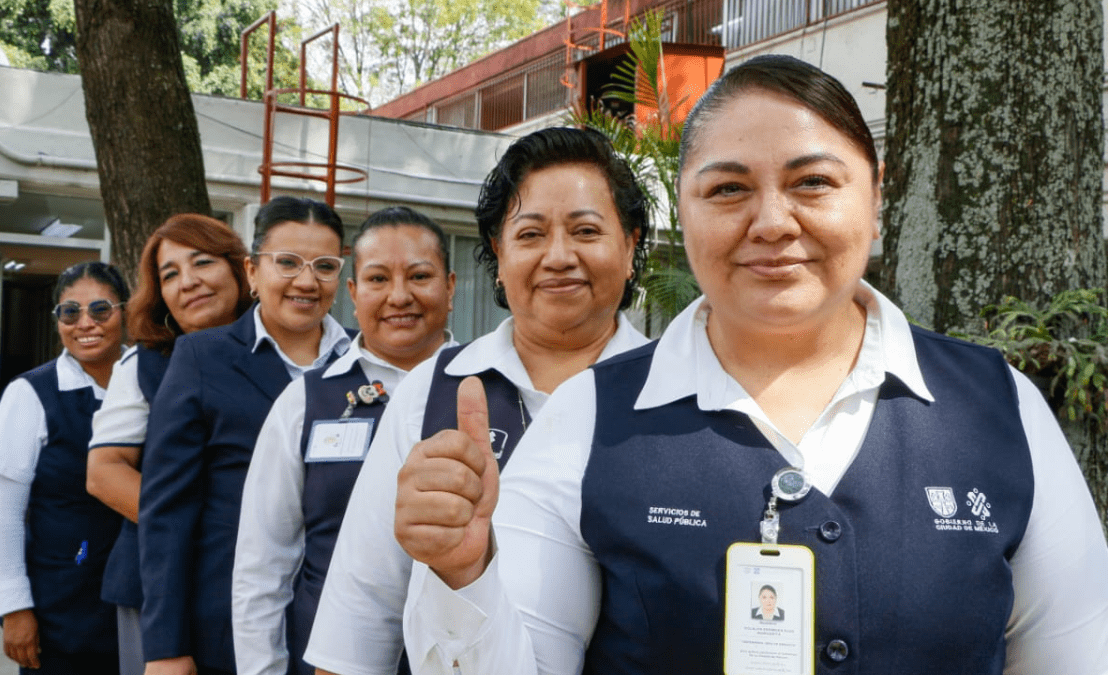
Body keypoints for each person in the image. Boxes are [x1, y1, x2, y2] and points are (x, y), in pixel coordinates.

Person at [394, 54, 1108, 675]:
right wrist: (464, 576)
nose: (771, 221)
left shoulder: (997, 407)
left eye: (813, 182)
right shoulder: (589, 419)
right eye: (729, 189)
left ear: (877, 195)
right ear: (685, 208)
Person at [305, 126, 653, 675]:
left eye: (586, 230)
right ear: (497, 250)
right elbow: (359, 613)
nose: (559, 257)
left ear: (631, 245)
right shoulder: (431, 390)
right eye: (531, 234)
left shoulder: (674, 400)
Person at [232, 207, 459, 675]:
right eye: (377, 279)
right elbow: (263, 567)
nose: (400, 296)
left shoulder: (489, 392)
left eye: (419, 275)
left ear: (450, 288)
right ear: (353, 294)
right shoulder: (306, 402)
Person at [139, 197, 353, 675]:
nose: (306, 281)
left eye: (324, 266)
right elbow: (166, 513)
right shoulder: (200, 358)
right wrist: (166, 648)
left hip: (344, 624)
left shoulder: (364, 362)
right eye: (288, 263)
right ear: (253, 271)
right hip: (229, 622)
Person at [87, 214, 252, 675]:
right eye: (170, 275)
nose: (189, 282)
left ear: (241, 269)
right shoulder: (143, 364)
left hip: (257, 582)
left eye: (202, 262)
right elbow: (104, 474)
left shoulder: (277, 357)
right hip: (157, 588)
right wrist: (202, 531)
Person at [0, 261, 130, 674]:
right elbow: (3, 514)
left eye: (101, 309)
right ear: (57, 320)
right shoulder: (31, 394)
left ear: (125, 312)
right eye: (70, 312)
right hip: (62, 603)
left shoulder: (151, 381)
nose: (86, 324)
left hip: (141, 598)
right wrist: (14, 608)